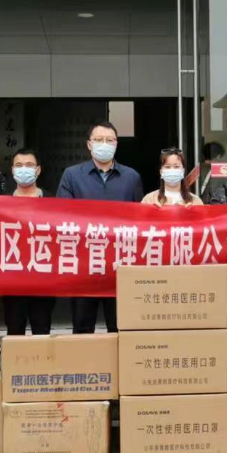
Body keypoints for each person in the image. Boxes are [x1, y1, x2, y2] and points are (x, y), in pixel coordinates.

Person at [57, 121, 143, 334]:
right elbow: (61, 216)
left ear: (116, 144)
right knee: (82, 327)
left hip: (120, 264)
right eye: (98, 140)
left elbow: (140, 220)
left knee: (120, 327)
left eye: (109, 140)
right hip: (84, 264)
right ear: (89, 144)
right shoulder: (72, 175)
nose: (104, 144)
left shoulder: (131, 177)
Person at [4, 148, 56, 335]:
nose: (24, 169)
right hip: (12, 280)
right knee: (14, 330)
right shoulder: (0, 203)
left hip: (43, 279)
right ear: (12, 170)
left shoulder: (53, 202)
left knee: (41, 330)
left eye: (29, 165)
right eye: (19, 165)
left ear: (38, 170)